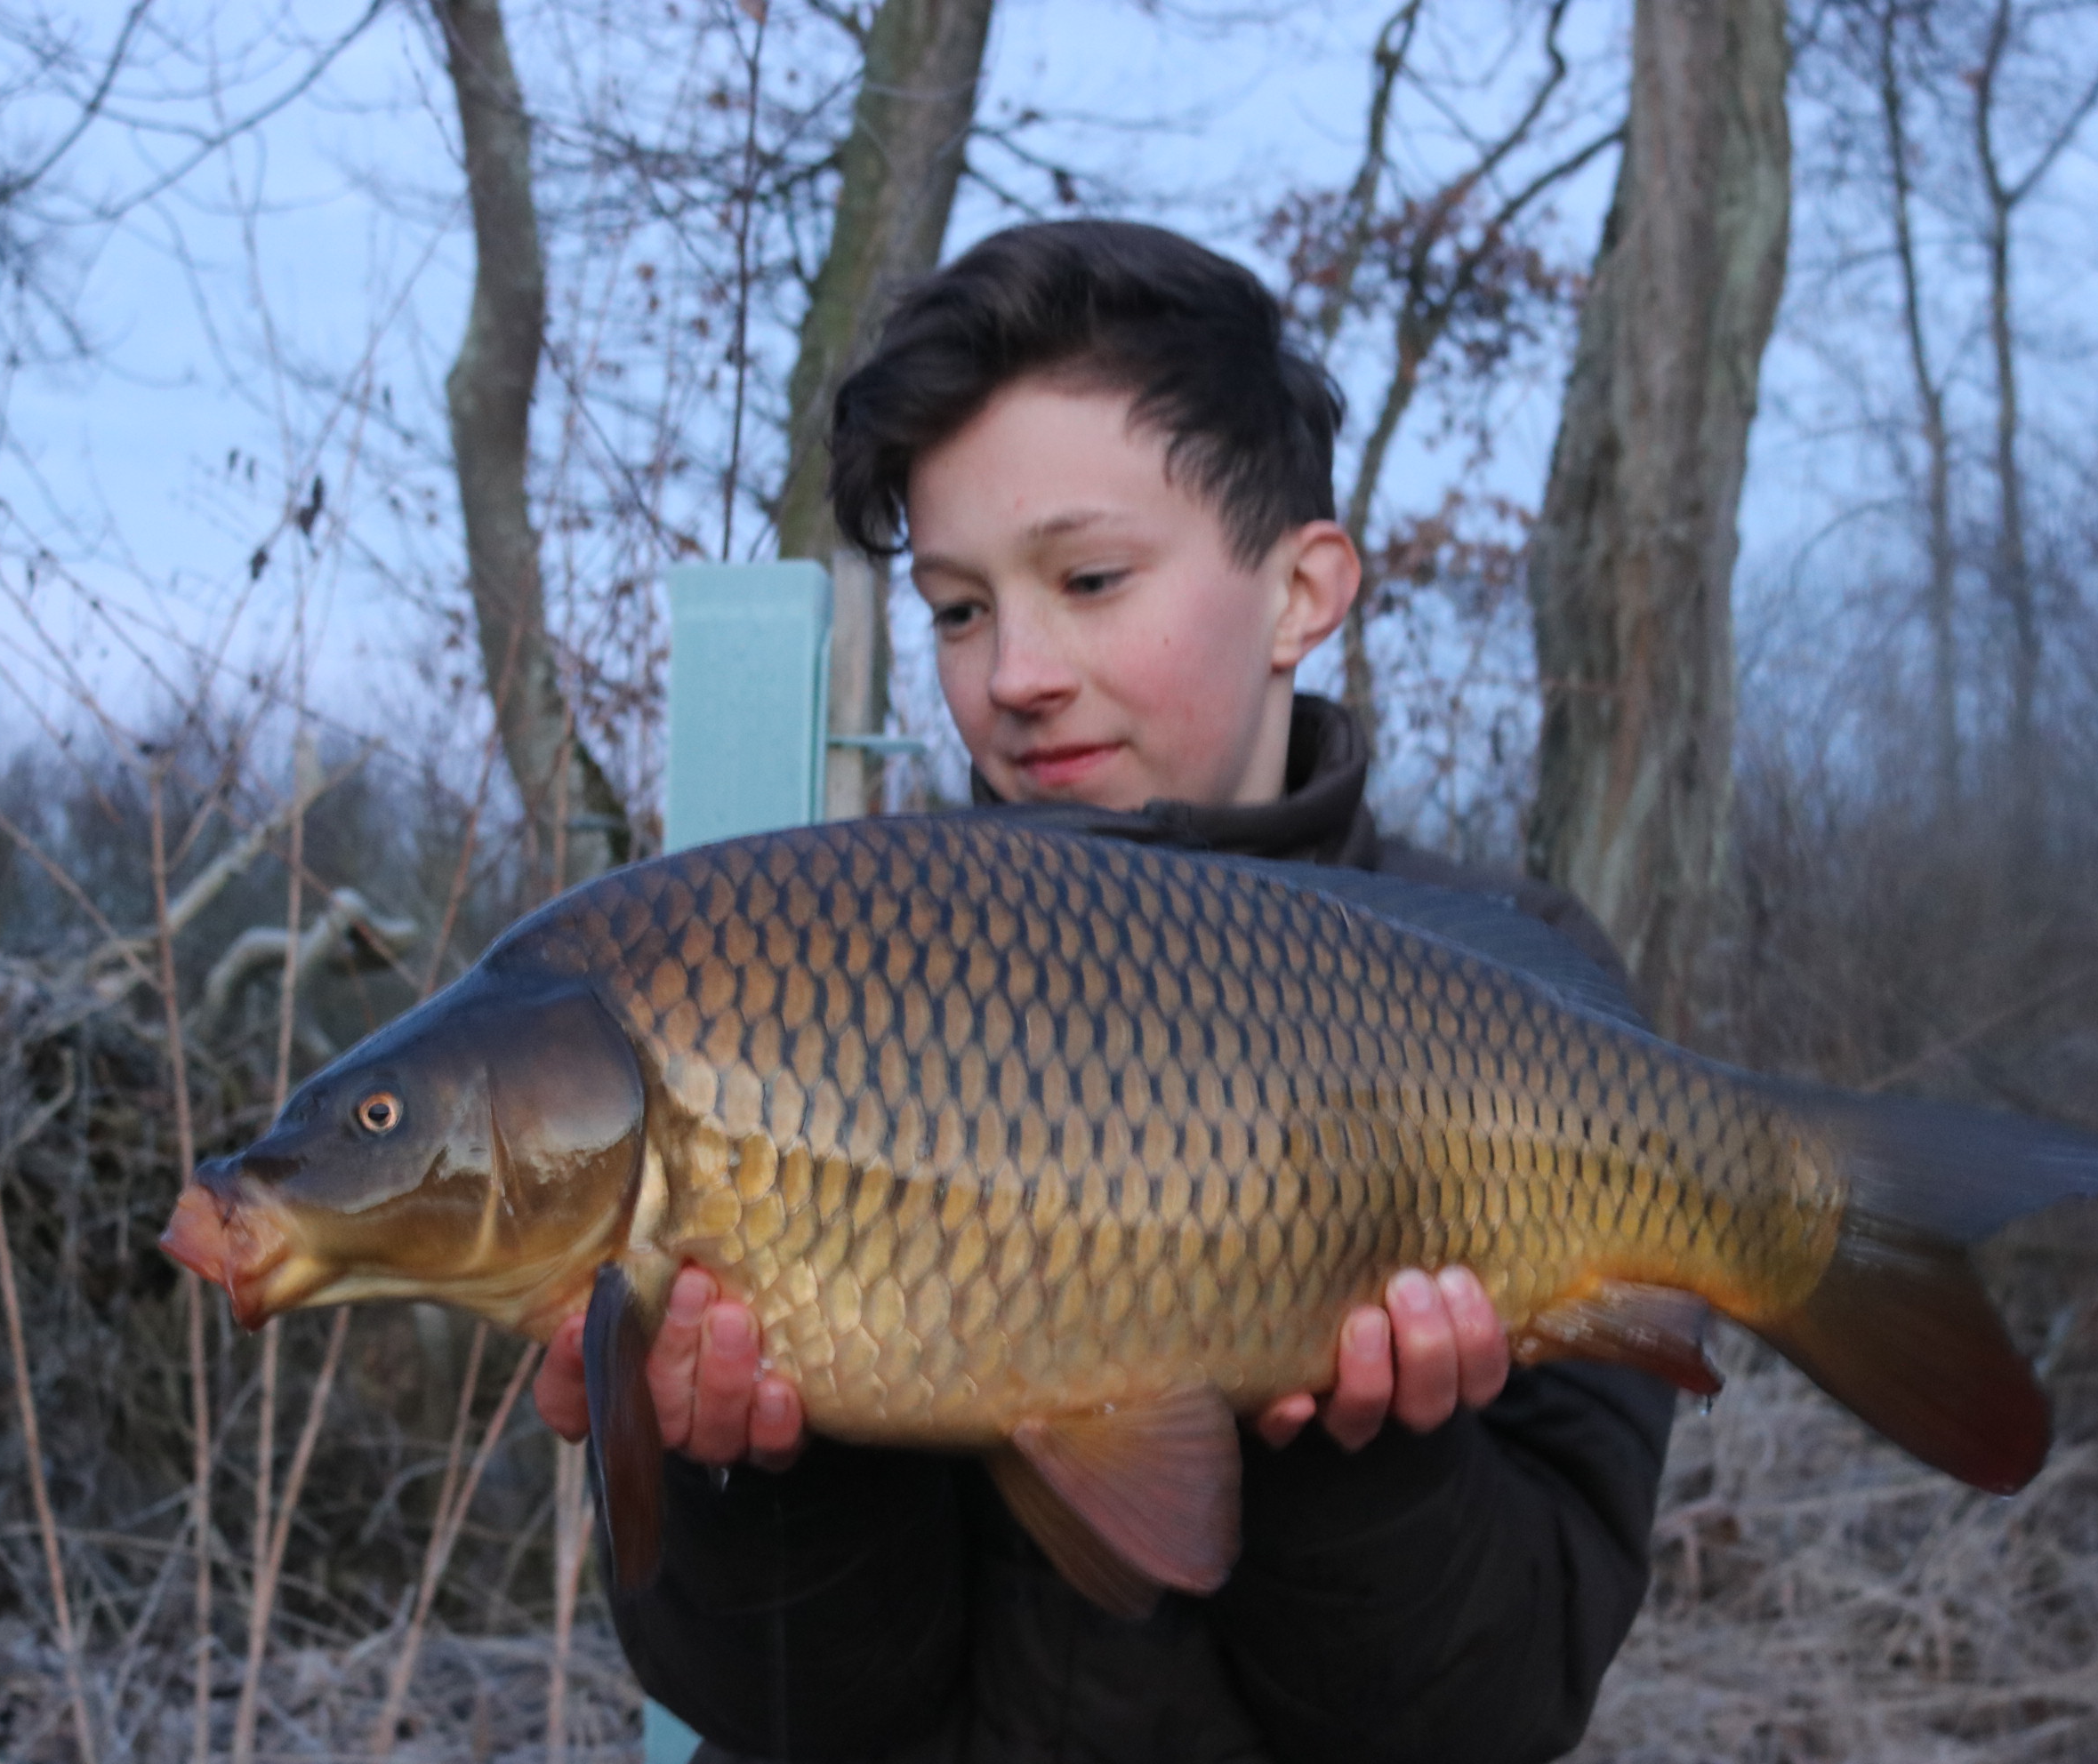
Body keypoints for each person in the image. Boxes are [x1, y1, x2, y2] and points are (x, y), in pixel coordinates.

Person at [533, 220, 1675, 1764]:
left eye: (1086, 576)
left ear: (1302, 590)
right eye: (957, 606)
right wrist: (776, 1457)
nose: (1015, 671)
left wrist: (1364, 1449)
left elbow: (1501, 1713)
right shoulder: (819, 974)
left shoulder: (1506, 983)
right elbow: (779, 1717)